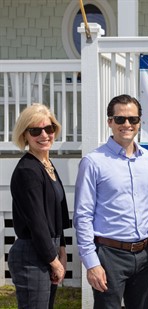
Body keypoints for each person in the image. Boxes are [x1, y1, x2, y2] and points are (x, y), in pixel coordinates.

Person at [74, 94, 148, 309]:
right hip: (109, 254)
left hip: (145, 252)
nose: (127, 124)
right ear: (110, 122)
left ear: (139, 122)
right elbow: (82, 215)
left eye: (133, 119)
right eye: (120, 119)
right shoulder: (93, 162)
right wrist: (91, 262)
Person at [9, 103, 70, 309]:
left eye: (49, 129)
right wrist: (53, 260)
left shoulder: (47, 165)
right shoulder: (28, 171)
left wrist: (61, 249)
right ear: (25, 135)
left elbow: (56, 214)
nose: (44, 135)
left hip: (47, 249)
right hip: (32, 254)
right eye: (35, 130)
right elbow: (37, 222)